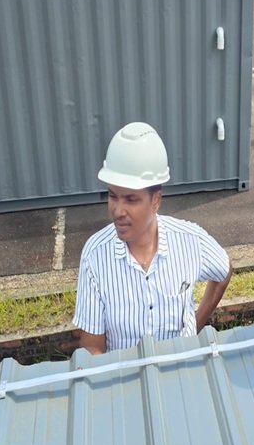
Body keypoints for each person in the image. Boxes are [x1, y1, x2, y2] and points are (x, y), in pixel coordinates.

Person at [74, 122, 232, 354]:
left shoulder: (190, 241)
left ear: (155, 200)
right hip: (127, 381)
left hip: (182, 372)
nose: (118, 210)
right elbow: (92, 348)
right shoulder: (95, 256)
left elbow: (224, 269)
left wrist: (195, 326)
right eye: (112, 196)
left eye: (130, 199)